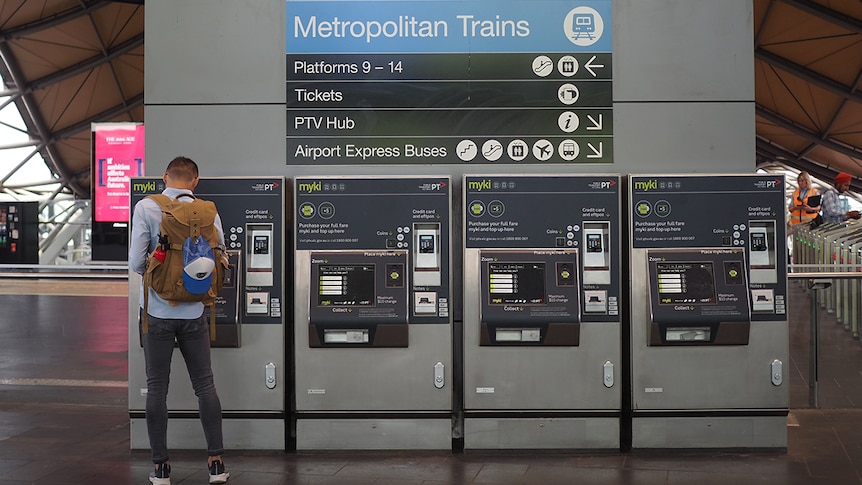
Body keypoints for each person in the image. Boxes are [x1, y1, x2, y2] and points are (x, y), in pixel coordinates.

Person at [129, 156, 230, 485]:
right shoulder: (208, 211)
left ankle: (161, 468)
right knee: (205, 385)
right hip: (196, 311)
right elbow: (221, 254)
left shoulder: (147, 207)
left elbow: (135, 263)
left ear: (164, 178)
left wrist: (157, 269)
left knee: (157, 389)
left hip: (157, 312)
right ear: (195, 181)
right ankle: (216, 463)